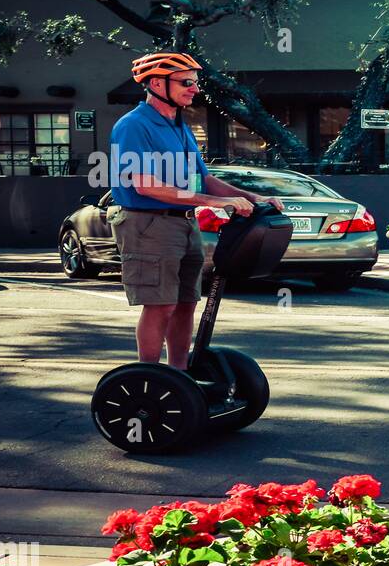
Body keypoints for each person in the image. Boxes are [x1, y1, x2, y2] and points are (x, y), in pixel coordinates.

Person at [107, 51, 284, 368]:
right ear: (157, 83)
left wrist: (254, 198)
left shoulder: (179, 126)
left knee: (186, 303)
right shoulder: (133, 126)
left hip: (183, 223)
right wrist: (216, 204)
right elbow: (144, 184)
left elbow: (203, 179)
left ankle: (179, 374)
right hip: (148, 224)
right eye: (186, 82)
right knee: (160, 305)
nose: (194, 89)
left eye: (195, 82)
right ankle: (149, 378)